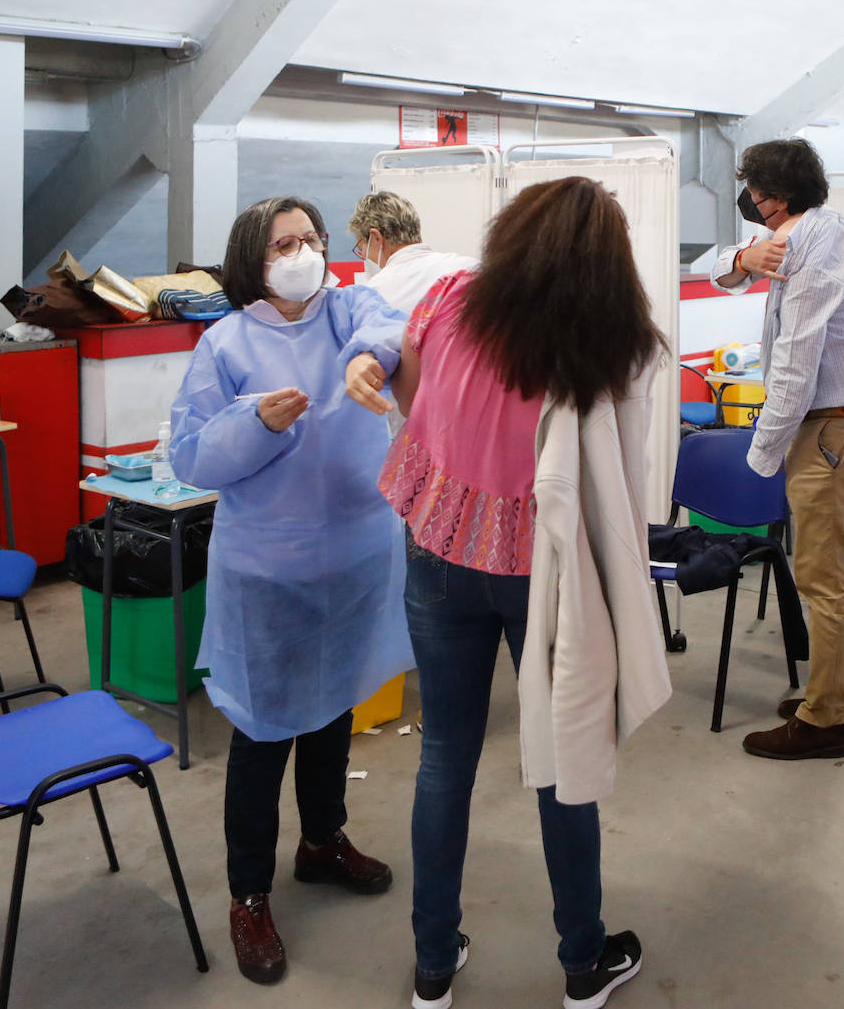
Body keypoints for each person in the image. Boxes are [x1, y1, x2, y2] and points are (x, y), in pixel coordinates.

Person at [365, 177, 670, 1009]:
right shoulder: (613, 343)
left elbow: (413, 397)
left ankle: (432, 965)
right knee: (561, 751)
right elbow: (622, 474)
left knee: (443, 760)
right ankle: (582, 960)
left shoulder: (454, 296)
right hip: (546, 570)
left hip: (437, 545)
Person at [169, 196, 415, 985]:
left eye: (311, 238)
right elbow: (193, 456)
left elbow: (390, 325)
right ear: (255, 257)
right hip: (270, 569)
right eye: (285, 242)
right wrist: (258, 425)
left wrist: (366, 358)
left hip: (352, 554)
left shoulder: (348, 311)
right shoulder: (226, 342)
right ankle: (248, 893)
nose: (303, 251)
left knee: (334, 707)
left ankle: (321, 841)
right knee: (264, 728)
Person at [710, 138, 844, 760]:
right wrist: (744, 254)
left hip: (835, 429)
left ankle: (824, 721)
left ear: (776, 194)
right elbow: (718, 269)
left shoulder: (823, 241)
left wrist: (764, 448)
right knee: (843, 570)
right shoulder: (803, 236)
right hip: (843, 425)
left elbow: (796, 355)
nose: (749, 200)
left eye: (754, 190)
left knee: (823, 579)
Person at [350, 190, 477, 436]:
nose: (364, 256)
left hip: (412, 432)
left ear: (375, 238)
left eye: (360, 247)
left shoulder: (371, 295)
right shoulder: (471, 268)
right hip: (475, 426)